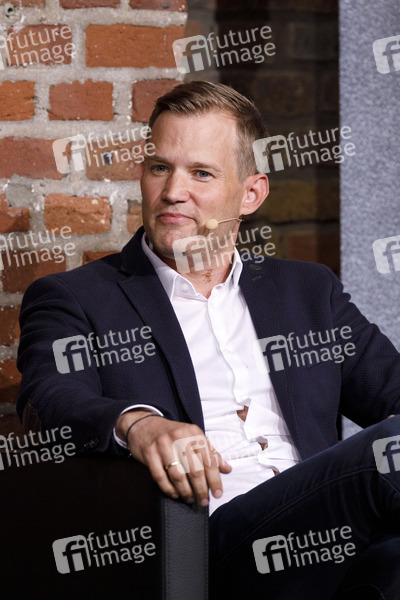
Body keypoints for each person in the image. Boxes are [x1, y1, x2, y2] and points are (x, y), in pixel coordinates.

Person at [17, 81, 400, 599]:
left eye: (201, 173)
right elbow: (49, 399)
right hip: (209, 544)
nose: (174, 191)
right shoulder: (79, 297)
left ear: (251, 194)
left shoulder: (307, 290)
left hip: (332, 537)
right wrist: (139, 424)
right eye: (160, 167)